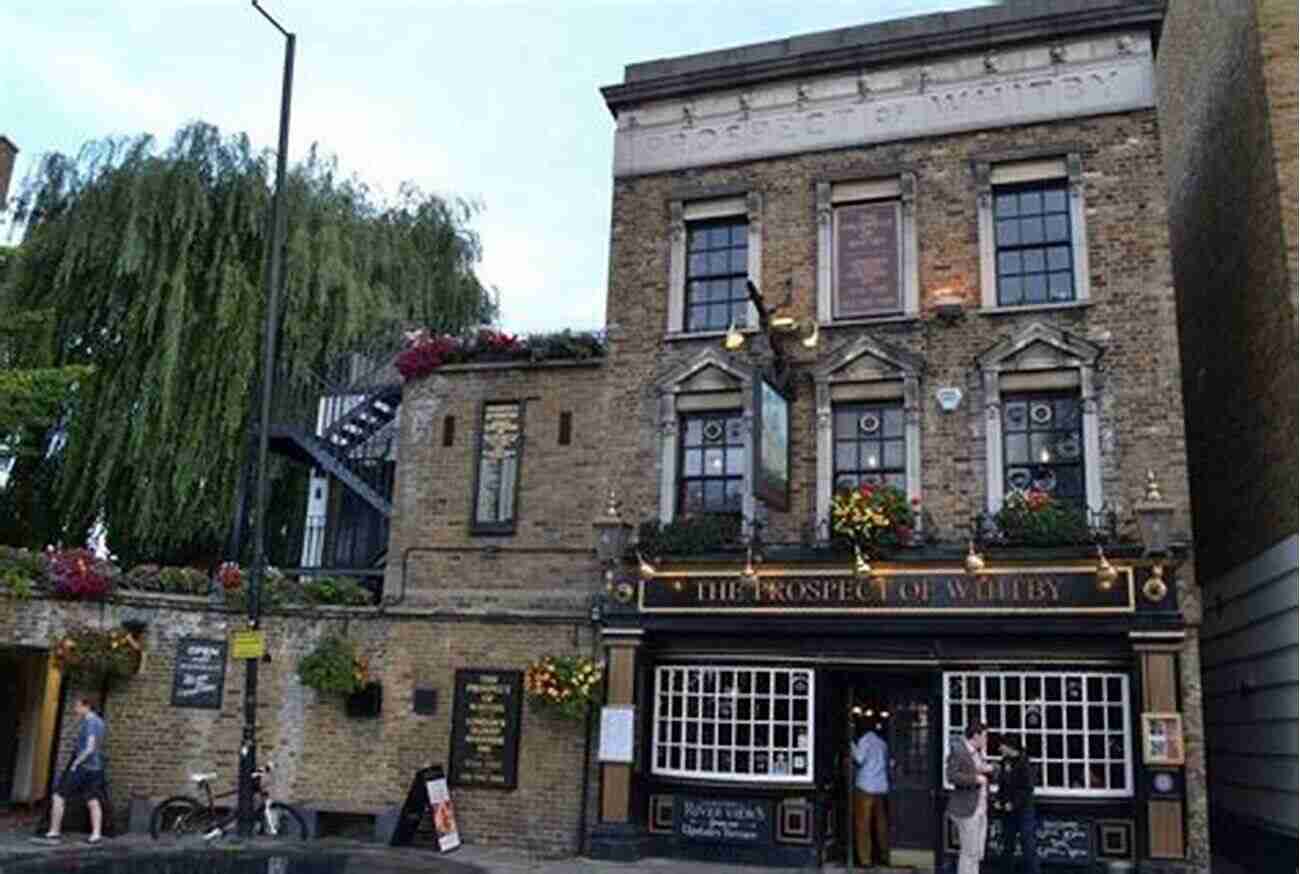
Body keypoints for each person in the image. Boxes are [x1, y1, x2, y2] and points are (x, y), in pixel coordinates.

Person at [35, 696, 108, 845]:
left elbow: (90, 747)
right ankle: (96, 834)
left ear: (86, 706)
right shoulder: (100, 722)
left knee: (58, 796)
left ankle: (54, 831)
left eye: (77, 706)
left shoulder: (90, 722)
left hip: (83, 767)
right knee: (93, 800)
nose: (76, 709)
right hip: (96, 768)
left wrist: (76, 763)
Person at [946, 722, 995, 874]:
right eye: (985, 736)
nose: (986, 740)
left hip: (980, 807)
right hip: (967, 808)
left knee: (977, 852)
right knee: (968, 852)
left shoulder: (976, 752)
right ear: (976, 736)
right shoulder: (959, 750)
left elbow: (971, 769)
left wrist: (984, 768)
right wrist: (975, 779)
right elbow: (951, 776)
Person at [996, 737, 1040, 874]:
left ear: (1010, 747)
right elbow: (1002, 785)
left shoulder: (1025, 763)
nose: (999, 749)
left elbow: (1027, 789)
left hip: (1024, 811)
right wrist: (999, 800)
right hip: (1008, 811)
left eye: (1001, 746)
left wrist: (1014, 804)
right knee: (1007, 845)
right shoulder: (1004, 762)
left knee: (1028, 845)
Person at [850, 718, 890, 867]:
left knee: (863, 825)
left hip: (866, 787)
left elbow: (859, 759)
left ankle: (865, 859)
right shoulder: (882, 743)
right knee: (881, 824)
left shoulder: (864, 741)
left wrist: (851, 745)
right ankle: (885, 855)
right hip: (881, 786)